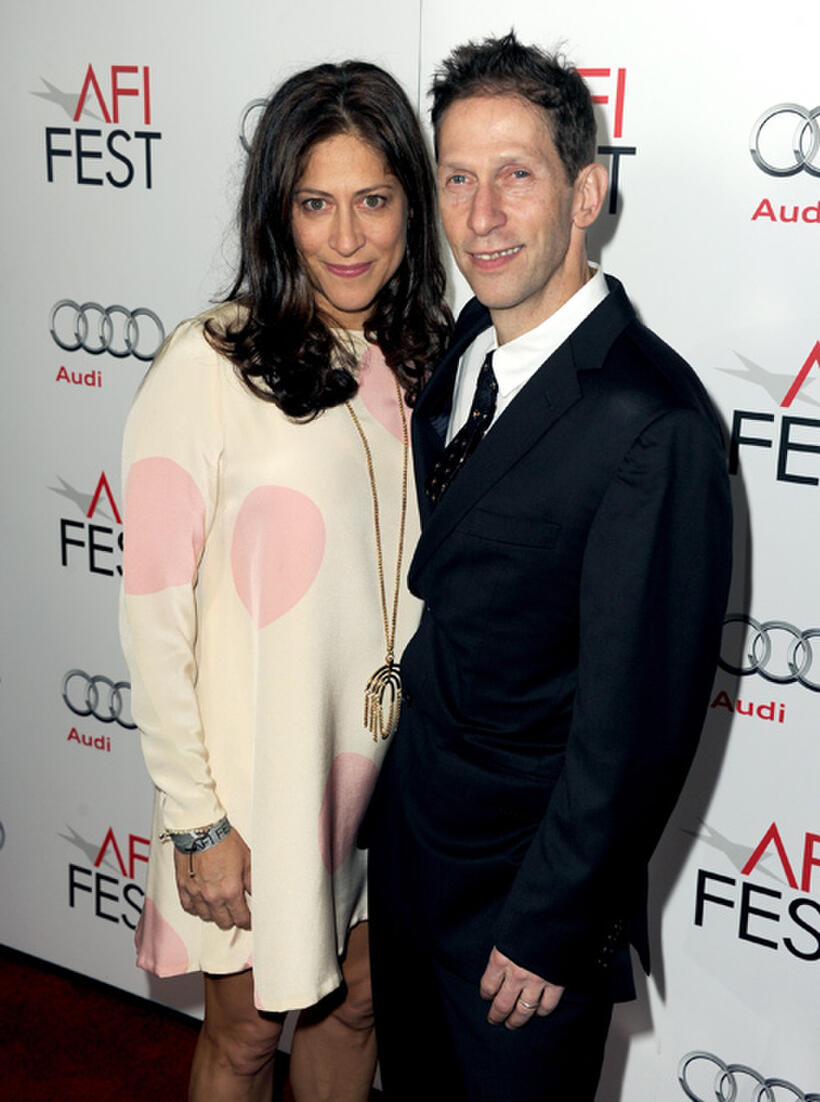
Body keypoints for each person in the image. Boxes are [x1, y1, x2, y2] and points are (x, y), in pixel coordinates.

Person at [364, 32, 732, 1101]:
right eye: (459, 178)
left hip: (522, 906)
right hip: (415, 851)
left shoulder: (649, 421)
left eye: (515, 176)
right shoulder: (465, 352)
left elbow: (637, 725)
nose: (479, 217)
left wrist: (551, 926)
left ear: (586, 194)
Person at [119, 61, 450, 1101]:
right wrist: (197, 821)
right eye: (315, 202)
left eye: (373, 200)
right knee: (248, 1034)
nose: (347, 236)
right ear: (277, 212)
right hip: (262, 788)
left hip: (389, 781)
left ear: (412, 206)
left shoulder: (427, 357)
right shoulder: (209, 362)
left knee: (358, 1000)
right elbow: (152, 610)